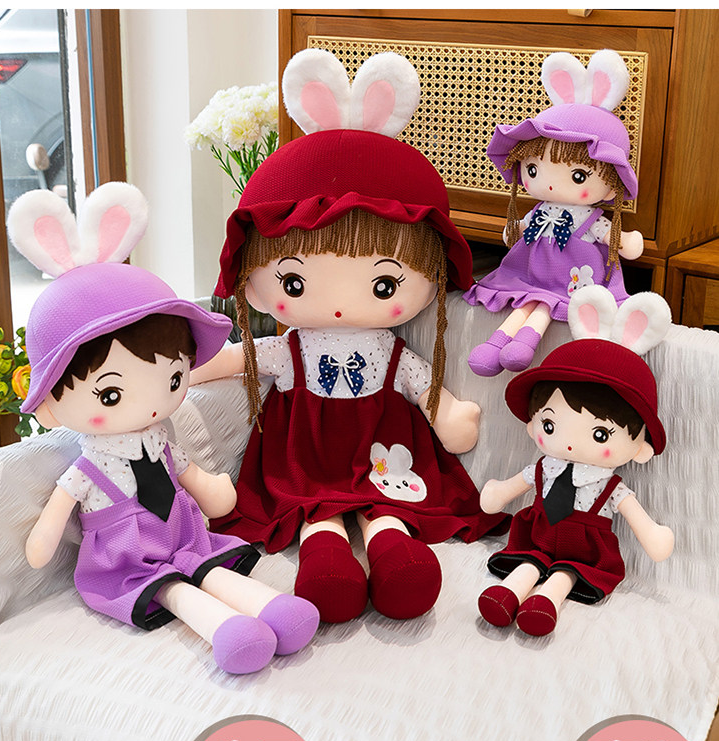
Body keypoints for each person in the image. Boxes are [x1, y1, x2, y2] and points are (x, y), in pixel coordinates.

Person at [192, 49, 507, 624]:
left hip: (386, 447)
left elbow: (418, 380)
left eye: (385, 284)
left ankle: (390, 546)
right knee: (317, 511)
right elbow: (241, 358)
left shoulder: (390, 350)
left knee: (389, 503)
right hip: (304, 453)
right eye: (293, 282)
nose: (339, 306)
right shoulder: (290, 349)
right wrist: (191, 369)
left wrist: (446, 410)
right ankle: (327, 553)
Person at [9, 182, 319, 674]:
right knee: (173, 590)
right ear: (49, 406)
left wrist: (213, 491)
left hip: (182, 533)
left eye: (174, 379)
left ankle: (270, 606)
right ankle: (225, 630)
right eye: (111, 395)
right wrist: (43, 541)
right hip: (126, 559)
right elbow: (49, 529)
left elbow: (188, 475)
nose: (151, 403)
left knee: (208, 568)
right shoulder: (86, 471)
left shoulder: (160, 441)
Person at [477, 286, 674, 637]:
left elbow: (633, 514)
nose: (568, 443)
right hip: (538, 535)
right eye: (549, 425)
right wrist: (499, 493)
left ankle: (546, 601)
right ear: (533, 423)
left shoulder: (610, 486)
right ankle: (508, 592)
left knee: (565, 574)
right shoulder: (544, 468)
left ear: (639, 447)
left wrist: (652, 534)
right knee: (530, 562)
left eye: (600, 434)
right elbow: (515, 486)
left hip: (585, 548)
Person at [465, 49, 644, 376]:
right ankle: (494, 345)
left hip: (568, 279)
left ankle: (523, 344)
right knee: (526, 301)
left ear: (610, 185)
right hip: (530, 273)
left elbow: (611, 237)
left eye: (578, 176)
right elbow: (520, 230)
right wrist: (515, 228)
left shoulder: (589, 219)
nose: (546, 184)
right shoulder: (539, 210)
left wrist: (625, 240)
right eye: (533, 169)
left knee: (544, 306)